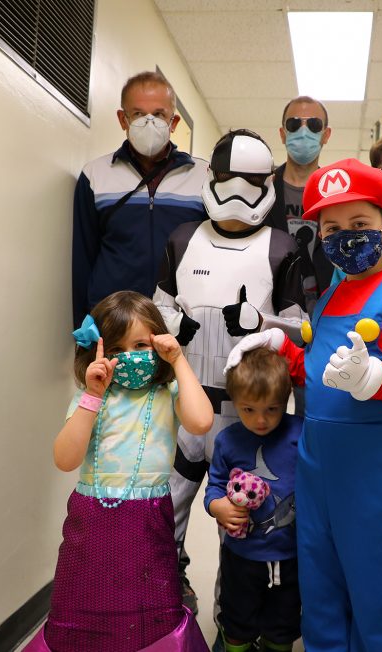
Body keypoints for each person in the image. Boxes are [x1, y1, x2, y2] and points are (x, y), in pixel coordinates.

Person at [227, 159, 382, 652]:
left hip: (375, 467)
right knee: (321, 586)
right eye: (332, 228)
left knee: (375, 590)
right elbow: (317, 373)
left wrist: (378, 377)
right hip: (315, 463)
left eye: (360, 226)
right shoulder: (329, 296)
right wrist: (276, 346)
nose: (345, 238)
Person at [153, 129, 306, 616]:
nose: (237, 190)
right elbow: (157, 312)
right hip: (187, 401)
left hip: (247, 414)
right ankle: (159, 601)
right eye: (227, 178)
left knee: (241, 519)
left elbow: (301, 330)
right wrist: (173, 325)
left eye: (251, 180)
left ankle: (232, 621)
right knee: (167, 509)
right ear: (211, 178)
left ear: (267, 183)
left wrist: (263, 323)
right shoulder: (182, 239)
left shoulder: (281, 247)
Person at [24, 291, 214, 652]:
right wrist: (92, 397)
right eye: (116, 349)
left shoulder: (167, 392)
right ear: (98, 353)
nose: (130, 356)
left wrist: (178, 361)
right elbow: (65, 459)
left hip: (148, 522)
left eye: (141, 344)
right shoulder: (91, 399)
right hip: (92, 520)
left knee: (147, 614)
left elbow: (202, 421)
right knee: (81, 606)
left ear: (158, 343)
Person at [72, 71, 208, 328]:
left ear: (174, 122)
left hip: (181, 323)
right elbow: (83, 259)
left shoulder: (203, 177)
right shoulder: (95, 176)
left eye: (158, 114)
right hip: (114, 323)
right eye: (137, 114)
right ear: (123, 119)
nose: (149, 122)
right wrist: (83, 328)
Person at [204, 347, 302, 652]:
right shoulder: (227, 439)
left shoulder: (300, 433)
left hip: (290, 555)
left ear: (285, 398)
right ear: (235, 402)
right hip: (241, 556)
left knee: (283, 626)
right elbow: (215, 486)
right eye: (249, 409)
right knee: (236, 621)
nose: (261, 420)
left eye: (271, 409)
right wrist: (217, 506)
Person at [265, 96, 335, 313]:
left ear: (326, 135)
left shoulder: (337, 193)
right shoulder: (262, 188)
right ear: (283, 134)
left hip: (326, 308)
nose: (303, 132)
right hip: (271, 307)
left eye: (313, 125)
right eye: (294, 124)